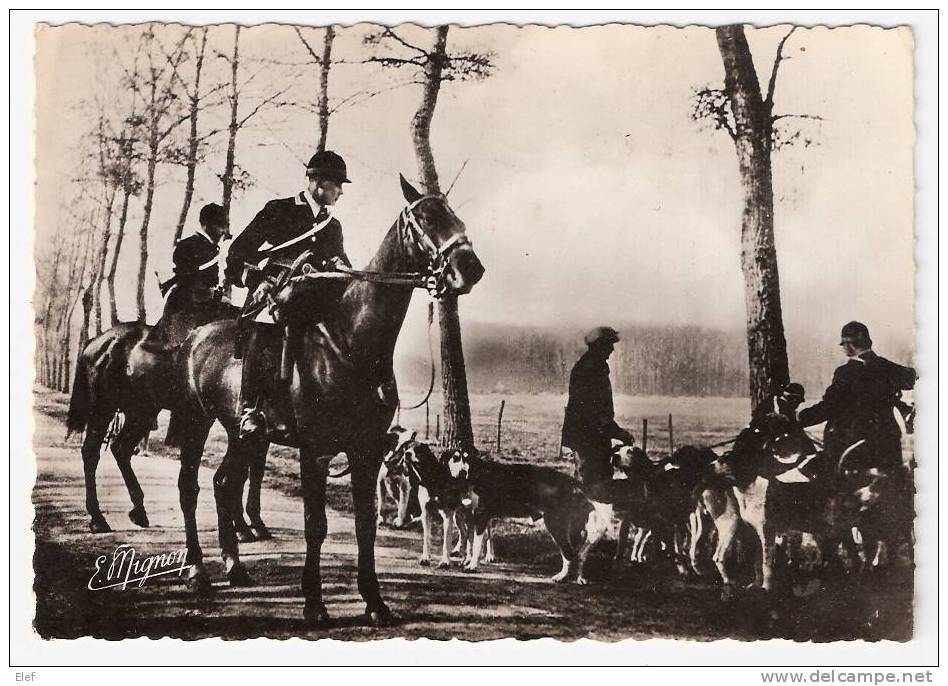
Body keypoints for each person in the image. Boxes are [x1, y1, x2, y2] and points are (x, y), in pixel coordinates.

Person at [225, 150, 353, 437]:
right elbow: (237, 252)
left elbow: (342, 265)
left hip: (317, 297)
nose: (341, 192)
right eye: (338, 184)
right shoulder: (279, 209)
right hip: (275, 290)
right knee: (266, 325)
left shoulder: (332, 227)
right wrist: (256, 281)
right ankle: (250, 408)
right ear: (317, 182)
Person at [798, 321, 916, 474]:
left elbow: (830, 407)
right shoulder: (888, 367)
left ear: (849, 345)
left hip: (853, 446)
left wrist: (801, 417)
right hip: (886, 443)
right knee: (887, 491)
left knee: (844, 492)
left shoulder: (845, 373)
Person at [144, 202, 230, 352]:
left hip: (207, 300)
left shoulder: (213, 248)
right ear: (206, 224)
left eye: (224, 225)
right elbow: (186, 277)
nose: (223, 231)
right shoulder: (187, 245)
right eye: (220, 225)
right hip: (188, 301)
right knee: (178, 345)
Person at [561, 326, 634, 492]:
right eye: (609, 344)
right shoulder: (590, 369)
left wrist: (612, 431)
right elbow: (592, 411)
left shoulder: (593, 366)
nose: (612, 349)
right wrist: (616, 431)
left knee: (594, 482)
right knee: (593, 486)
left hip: (591, 437)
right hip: (588, 438)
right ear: (599, 346)